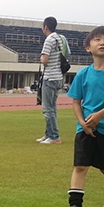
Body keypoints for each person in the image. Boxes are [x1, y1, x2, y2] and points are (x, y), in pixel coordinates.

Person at [57, 26, 104, 207]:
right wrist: (83, 122)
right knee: (80, 166)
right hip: (85, 129)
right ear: (88, 47)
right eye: (97, 39)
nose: (103, 42)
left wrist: (98, 116)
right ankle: (74, 206)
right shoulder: (82, 74)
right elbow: (76, 101)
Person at [37, 17, 65, 145]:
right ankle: (49, 133)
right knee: (52, 108)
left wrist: (41, 58)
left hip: (50, 77)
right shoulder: (59, 38)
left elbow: (45, 60)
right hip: (58, 76)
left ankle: (54, 136)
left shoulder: (49, 40)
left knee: (47, 109)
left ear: (45, 27)